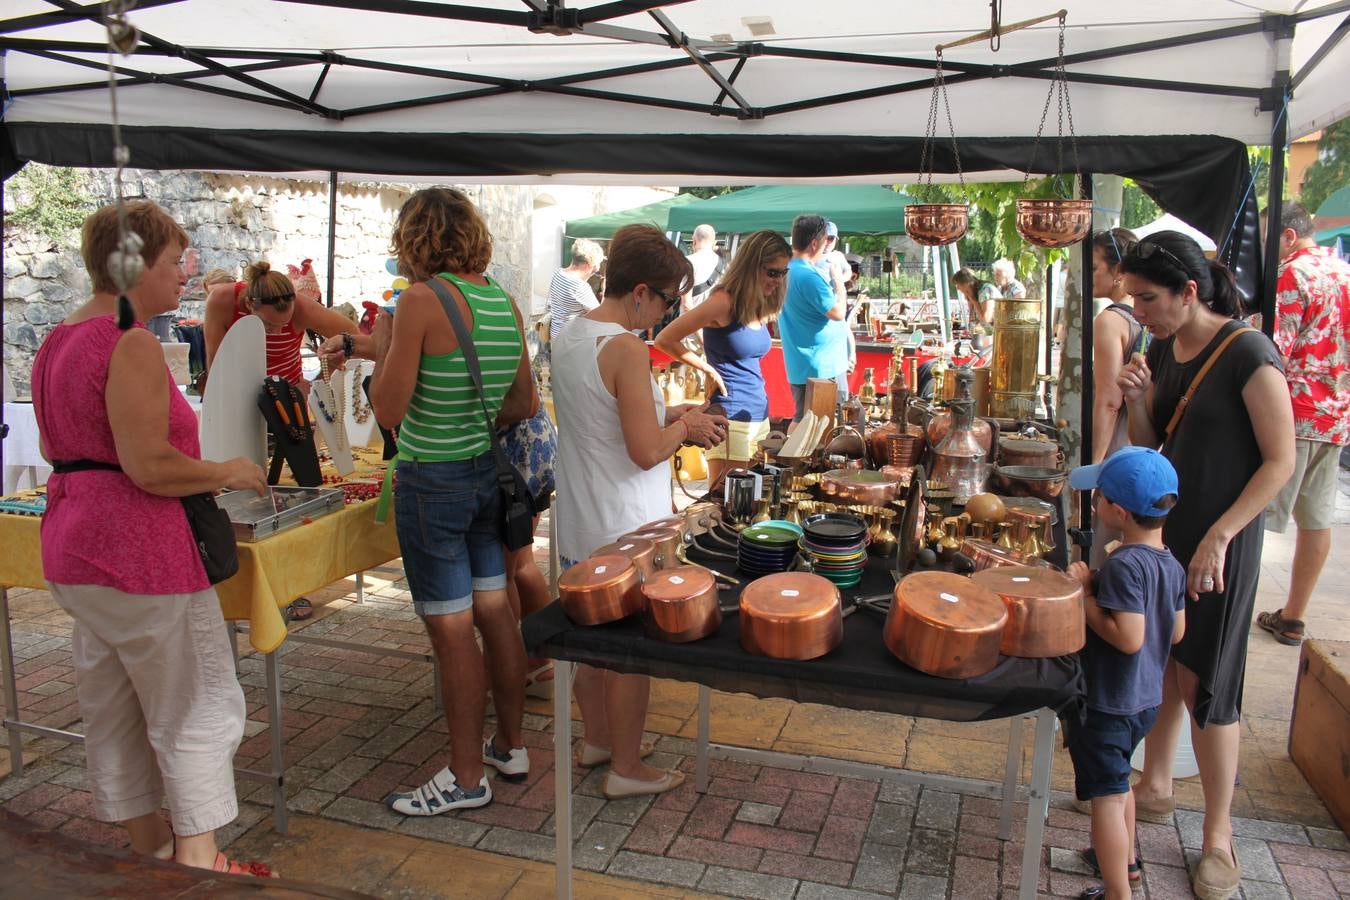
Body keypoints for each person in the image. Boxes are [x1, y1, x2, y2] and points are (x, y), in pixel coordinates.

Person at [31, 201, 272, 875]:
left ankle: (151, 850)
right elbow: (149, 464)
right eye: (173, 262)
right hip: (137, 550)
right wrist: (224, 469)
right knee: (196, 702)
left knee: (112, 702)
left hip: (75, 543)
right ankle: (199, 861)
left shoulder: (60, 339)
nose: (184, 275)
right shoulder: (126, 338)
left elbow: (59, 445)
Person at [332, 187, 539, 816]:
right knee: (495, 613)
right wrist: (469, 415)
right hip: (485, 476)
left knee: (451, 631)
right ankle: (510, 746)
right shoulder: (502, 301)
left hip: (432, 481)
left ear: (415, 241)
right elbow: (524, 403)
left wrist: (390, 340)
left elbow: (388, 411)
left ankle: (466, 777)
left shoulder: (419, 301)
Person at [1116, 231, 1295, 900]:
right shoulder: (1164, 348)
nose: (1138, 311)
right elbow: (1152, 447)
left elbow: (1282, 461)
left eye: (1148, 298)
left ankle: (1219, 837)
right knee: (1162, 657)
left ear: (1190, 292)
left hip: (1225, 537)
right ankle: (1156, 784)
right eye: (1133, 298)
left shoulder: (1249, 352)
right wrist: (1137, 398)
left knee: (1211, 683)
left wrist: (1221, 535)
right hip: (1171, 529)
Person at [552, 224, 728, 799]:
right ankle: (626, 766)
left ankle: (599, 740)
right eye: (669, 300)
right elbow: (646, 448)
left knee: (592, 642)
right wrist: (686, 425)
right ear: (640, 291)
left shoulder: (572, 332)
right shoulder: (625, 347)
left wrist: (668, 409)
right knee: (631, 651)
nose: (668, 312)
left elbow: (604, 414)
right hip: (625, 520)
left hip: (582, 512)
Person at [1066, 448, 1187, 900]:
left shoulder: (1123, 565)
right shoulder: (1170, 563)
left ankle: (1118, 892)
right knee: (1121, 786)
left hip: (1109, 704)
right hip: (1145, 701)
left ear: (1118, 511)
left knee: (1107, 799)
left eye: (1098, 497)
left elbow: (1128, 636)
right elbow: (1176, 632)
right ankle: (1128, 862)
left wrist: (1085, 596)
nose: (1094, 505)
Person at [1257, 201, 1350, 646]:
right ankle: (1294, 616)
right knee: (1316, 522)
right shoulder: (1344, 272)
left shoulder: (1292, 275)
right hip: (1335, 415)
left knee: (1255, 516)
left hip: (1290, 416)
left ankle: (1230, 606)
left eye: (1267, 238)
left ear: (1288, 236)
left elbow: (1272, 352)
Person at [655, 229, 791, 486]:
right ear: (752, 266)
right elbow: (665, 338)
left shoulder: (757, 302)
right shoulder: (723, 300)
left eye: (783, 272)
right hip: (730, 416)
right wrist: (707, 369)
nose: (778, 279)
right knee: (727, 504)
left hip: (757, 413)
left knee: (751, 505)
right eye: (772, 272)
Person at [203, 259, 357, 394]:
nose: (276, 333)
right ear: (249, 304)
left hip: (288, 402)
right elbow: (216, 369)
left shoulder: (303, 309)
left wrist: (323, 375)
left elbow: (356, 337)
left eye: (284, 325)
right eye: (268, 325)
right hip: (238, 398)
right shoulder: (222, 302)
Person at [1088, 228, 1143, 566]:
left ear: (1118, 271)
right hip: (1141, 441)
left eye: (1094, 267)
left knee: (1103, 546)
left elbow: (1109, 401)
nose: (1090, 274)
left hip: (1118, 445)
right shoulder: (1145, 318)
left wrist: (1092, 469)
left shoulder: (1110, 321)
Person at [778, 213, 850, 419]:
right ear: (814, 243)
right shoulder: (807, 275)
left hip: (810, 363)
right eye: (826, 239)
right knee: (812, 427)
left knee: (805, 423)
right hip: (819, 366)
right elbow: (838, 312)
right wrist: (838, 282)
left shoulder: (789, 269)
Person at [548, 238, 604, 342]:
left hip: (556, 335)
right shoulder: (579, 286)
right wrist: (605, 291)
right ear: (589, 263)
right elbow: (600, 316)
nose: (598, 268)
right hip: (571, 341)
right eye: (597, 264)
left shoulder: (558, 273)